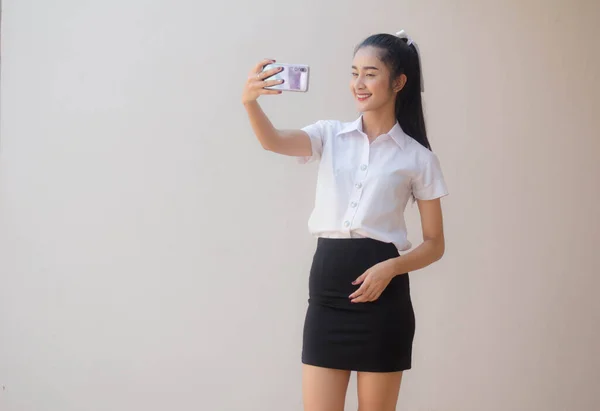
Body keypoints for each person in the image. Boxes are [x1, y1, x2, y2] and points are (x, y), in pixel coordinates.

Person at [241, 30, 448, 411]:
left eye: (370, 73)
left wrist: (390, 268)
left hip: (384, 299)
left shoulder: (419, 158)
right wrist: (250, 103)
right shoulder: (329, 135)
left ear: (399, 82)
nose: (359, 83)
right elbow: (273, 141)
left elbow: (435, 243)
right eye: (354, 73)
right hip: (327, 296)